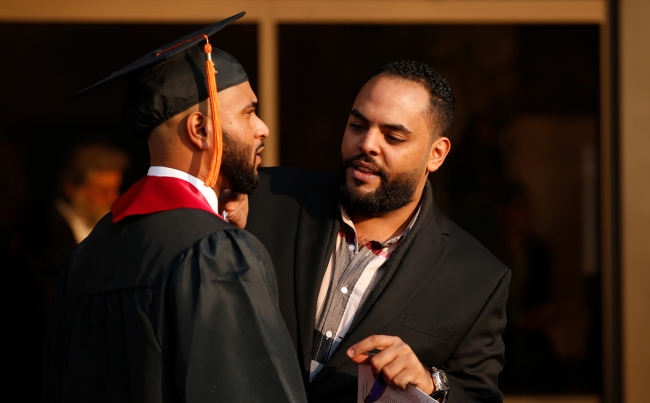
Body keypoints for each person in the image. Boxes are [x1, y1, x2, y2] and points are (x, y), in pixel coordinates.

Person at [42, 13, 306, 403]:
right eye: (249, 112)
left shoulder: (89, 254)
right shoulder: (215, 253)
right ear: (200, 130)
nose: (262, 127)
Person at [247, 61, 510, 402]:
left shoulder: (477, 278)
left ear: (437, 153)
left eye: (393, 136)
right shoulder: (265, 197)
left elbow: (478, 397)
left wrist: (433, 386)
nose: (367, 144)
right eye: (357, 125)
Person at [38, 142, 129, 313]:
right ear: (71, 188)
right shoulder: (44, 230)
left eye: (115, 189)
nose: (113, 198)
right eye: (102, 191)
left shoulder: (114, 225)